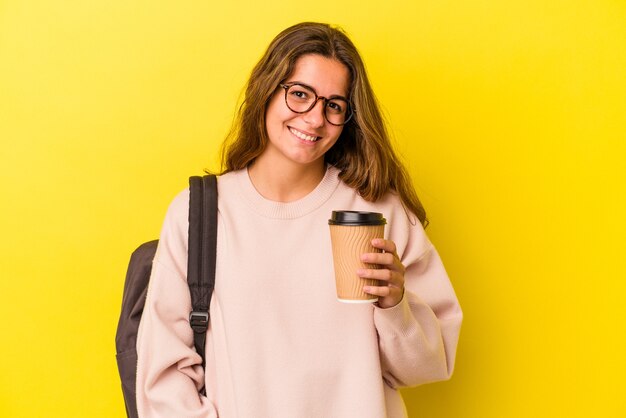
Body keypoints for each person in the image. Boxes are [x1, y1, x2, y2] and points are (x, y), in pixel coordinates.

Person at [136, 22, 462, 418]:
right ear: (267, 90)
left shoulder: (377, 214)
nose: (314, 119)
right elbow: (163, 373)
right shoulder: (202, 213)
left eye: (334, 105)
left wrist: (396, 305)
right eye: (300, 94)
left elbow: (429, 366)